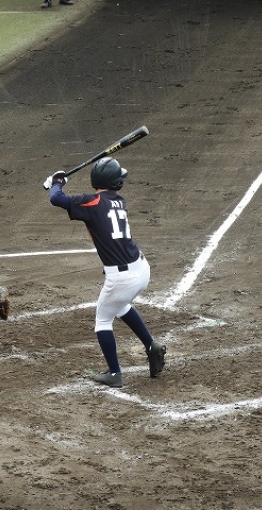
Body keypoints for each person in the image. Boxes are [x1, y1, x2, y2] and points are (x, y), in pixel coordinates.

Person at [45, 157, 166, 388]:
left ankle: (114, 374)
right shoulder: (119, 201)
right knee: (119, 305)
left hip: (122, 277)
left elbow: (56, 198)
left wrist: (57, 182)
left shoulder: (92, 203)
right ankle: (152, 346)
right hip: (141, 269)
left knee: (102, 319)